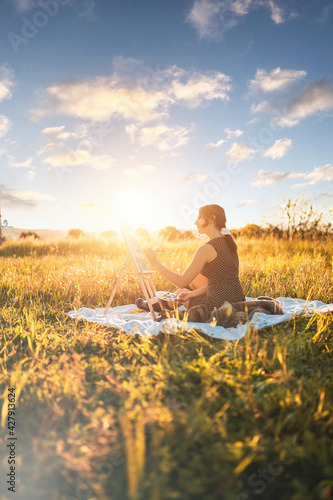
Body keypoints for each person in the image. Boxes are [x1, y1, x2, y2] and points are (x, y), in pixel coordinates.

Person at [138, 204, 245, 313]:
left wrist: (156, 264)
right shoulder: (230, 244)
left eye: (199, 217)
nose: (195, 222)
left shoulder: (207, 248)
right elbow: (219, 282)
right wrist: (191, 294)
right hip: (237, 300)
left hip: (216, 304)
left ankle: (158, 305)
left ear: (212, 219)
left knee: (184, 286)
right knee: (191, 284)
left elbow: (182, 281)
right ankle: (158, 303)